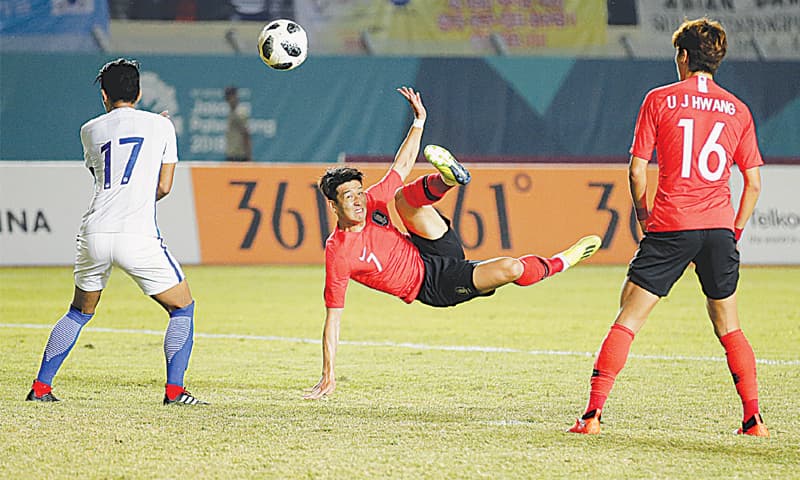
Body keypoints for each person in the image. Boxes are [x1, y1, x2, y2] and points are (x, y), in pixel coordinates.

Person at [304, 86, 602, 400]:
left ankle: (448, 178)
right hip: (434, 285)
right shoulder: (339, 253)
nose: (359, 201)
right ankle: (562, 261)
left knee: (402, 197)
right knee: (511, 267)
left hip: (430, 247)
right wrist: (328, 375)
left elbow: (401, 166)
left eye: (359, 192)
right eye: (348, 197)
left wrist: (419, 121)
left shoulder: (373, 201)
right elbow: (333, 317)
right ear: (334, 206)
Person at [567, 18, 767, 436]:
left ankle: (591, 417)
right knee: (728, 325)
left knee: (629, 315)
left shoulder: (660, 99)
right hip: (717, 229)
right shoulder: (739, 109)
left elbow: (637, 170)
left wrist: (643, 217)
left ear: (682, 55)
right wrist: (735, 232)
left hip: (672, 224)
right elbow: (753, 182)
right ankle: (753, 421)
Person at [25, 58, 206, 406]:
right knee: (182, 308)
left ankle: (42, 388)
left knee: (78, 312)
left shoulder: (89, 129)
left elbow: (102, 179)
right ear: (138, 92)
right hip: (137, 234)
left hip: (94, 231)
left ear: (105, 96)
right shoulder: (162, 127)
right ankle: (174, 391)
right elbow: (164, 187)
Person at [224, 86, 252, 162]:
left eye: (232, 96)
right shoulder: (231, 112)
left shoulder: (239, 113)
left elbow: (246, 134)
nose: (230, 100)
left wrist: (248, 156)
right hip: (231, 154)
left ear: (236, 97)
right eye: (228, 97)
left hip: (239, 156)